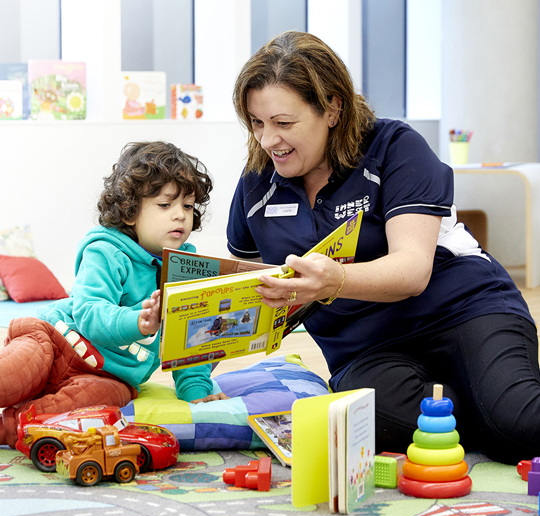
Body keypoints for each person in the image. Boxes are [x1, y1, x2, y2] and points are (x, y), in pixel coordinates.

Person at [226, 30, 540, 464]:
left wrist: (332, 281)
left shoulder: (394, 147)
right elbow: (246, 281)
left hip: (462, 311)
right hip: (365, 349)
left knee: (518, 428)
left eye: (283, 123)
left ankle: (495, 402)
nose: (268, 140)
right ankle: (481, 399)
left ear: (333, 108)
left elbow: (412, 273)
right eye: (257, 123)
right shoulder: (257, 183)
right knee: (380, 428)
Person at [0, 141, 227, 448]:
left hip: (108, 376)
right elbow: (90, 314)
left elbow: (189, 342)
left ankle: (9, 430)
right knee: (14, 375)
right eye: (165, 205)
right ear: (131, 212)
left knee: (107, 400)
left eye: (187, 206)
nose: (180, 216)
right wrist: (140, 322)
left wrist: (198, 392)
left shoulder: (187, 267)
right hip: (54, 340)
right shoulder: (105, 251)